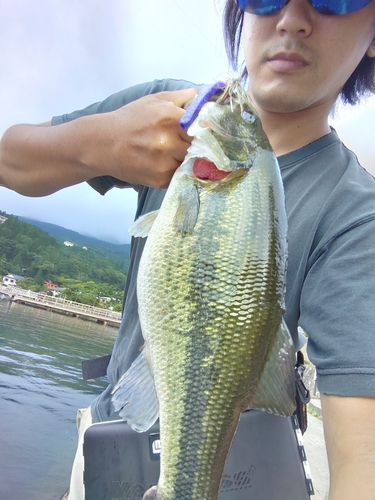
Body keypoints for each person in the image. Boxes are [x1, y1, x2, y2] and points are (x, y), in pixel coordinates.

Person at [1, 0, 375, 498]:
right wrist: (103, 143)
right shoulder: (163, 110)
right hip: (106, 445)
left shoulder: (357, 216)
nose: (291, 19)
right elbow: (10, 160)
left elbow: (363, 459)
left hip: (238, 471)